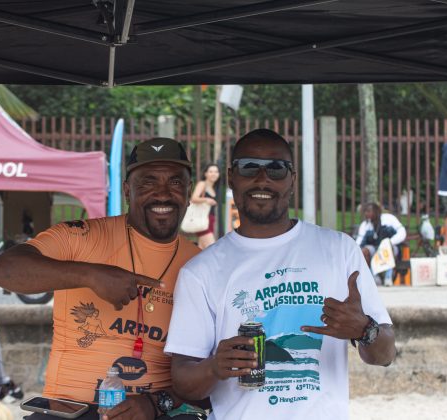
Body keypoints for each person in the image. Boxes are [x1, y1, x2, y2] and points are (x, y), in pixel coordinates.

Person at [165, 129, 396, 420]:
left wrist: (366, 330)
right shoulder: (201, 271)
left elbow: (386, 353)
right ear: (231, 177)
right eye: (249, 167)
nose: (263, 179)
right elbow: (183, 380)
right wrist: (213, 367)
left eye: (276, 168)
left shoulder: (339, 251)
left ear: (293, 180)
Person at [0, 138, 205, 420]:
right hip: (68, 409)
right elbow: (3, 270)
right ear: (128, 191)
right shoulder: (80, 236)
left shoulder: (200, 264)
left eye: (175, 183)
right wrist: (90, 274)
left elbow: (206, 370)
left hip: (153, 411)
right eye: (148, 182)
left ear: (189, 192)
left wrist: (155, 404)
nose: (162, 194)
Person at [355, 203, 406, 286]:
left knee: (388, 248)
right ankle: (372, 278)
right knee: (363, 251)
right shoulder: (365, 225)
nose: (366, 214)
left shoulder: (389, 219)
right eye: (365, 212)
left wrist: (390, 242)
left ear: (376, 211)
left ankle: (388, 277)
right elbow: (359, 241)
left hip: (390, 247)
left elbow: (402, 232)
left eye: (368, 211)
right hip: (374, 249)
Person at [190, 163, 220, 249]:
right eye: (211, 171)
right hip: (202, 220)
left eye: (216, 172)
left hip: (210, 220)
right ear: (205, 174)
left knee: (202, 250)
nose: (214, 174)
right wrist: (207, 200)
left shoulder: (214, 187)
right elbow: (193, 198)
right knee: (212, 249)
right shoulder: (202, 184)